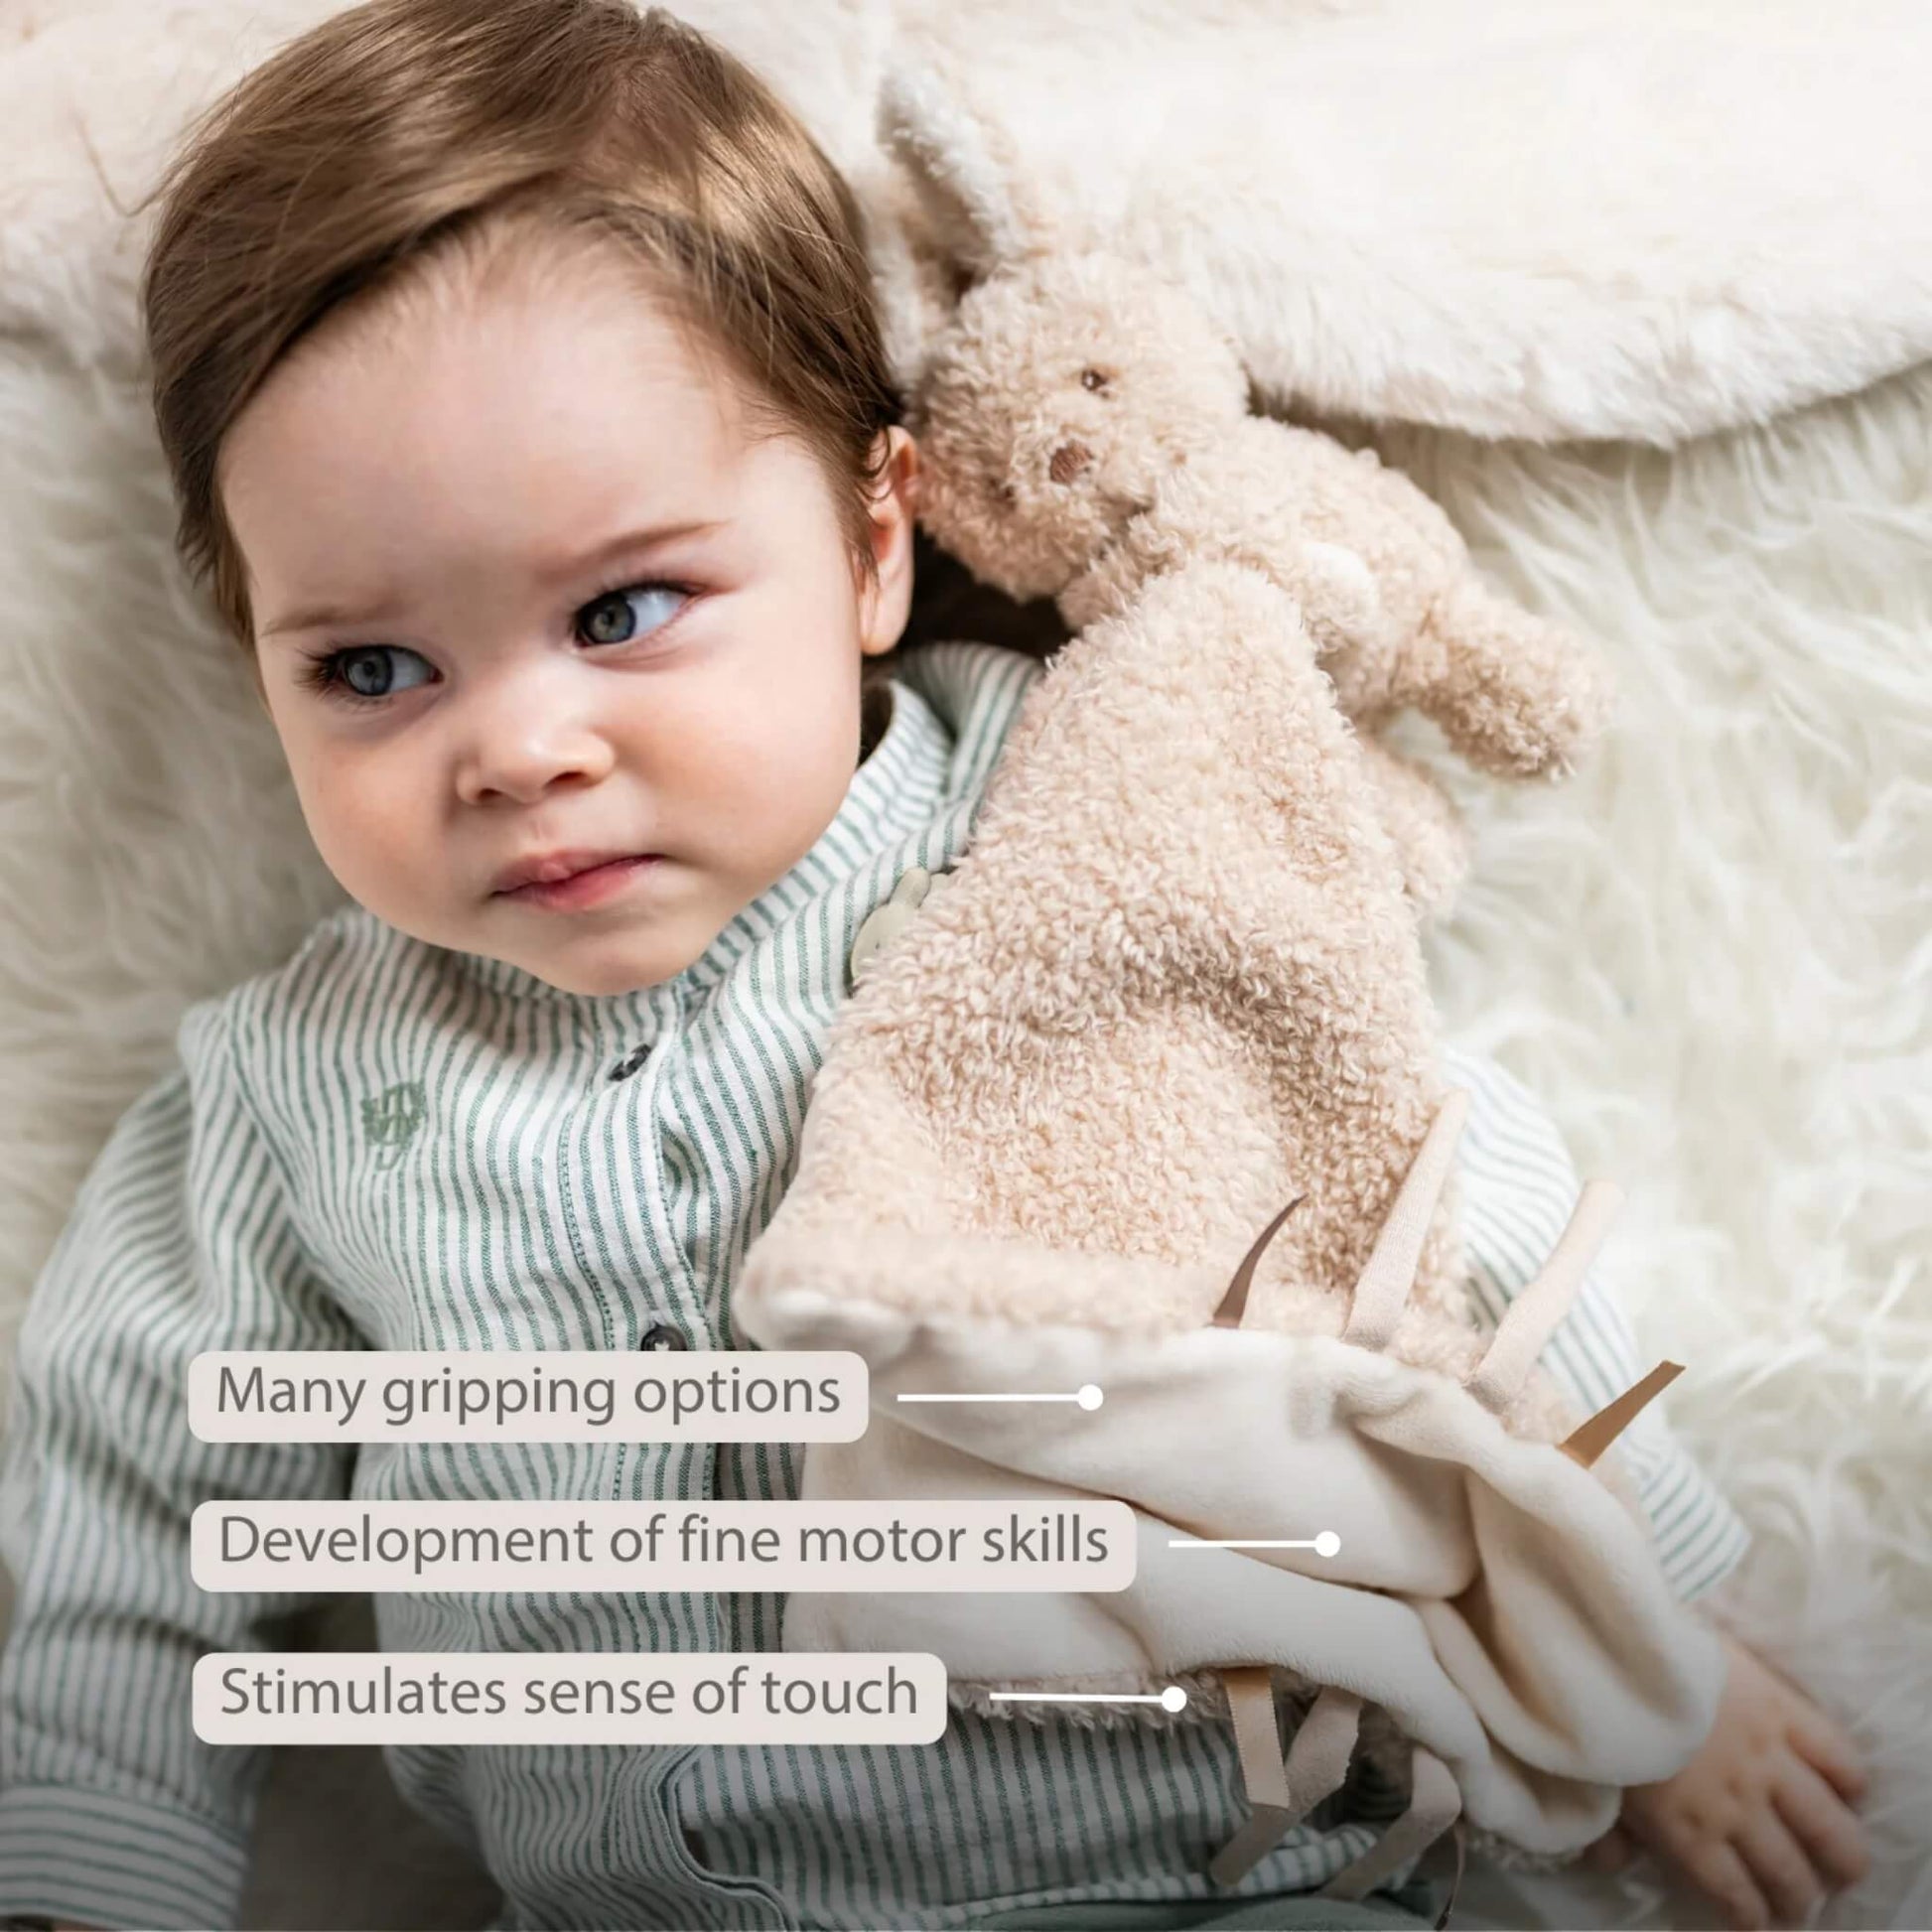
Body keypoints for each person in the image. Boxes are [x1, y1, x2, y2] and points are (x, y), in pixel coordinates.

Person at [0, 3, 1869, 1928]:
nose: (517, 748)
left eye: (624, 610)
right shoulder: (300, 1080)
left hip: (1207, 1863)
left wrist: (1652, 1638)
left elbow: (1411, 1157)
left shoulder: (1072, 821)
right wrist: (92, 1856)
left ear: (874, 540)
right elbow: (134, 1474)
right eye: (370, 670)